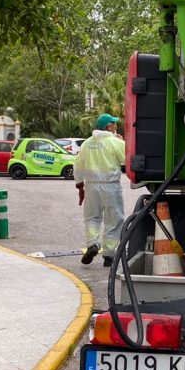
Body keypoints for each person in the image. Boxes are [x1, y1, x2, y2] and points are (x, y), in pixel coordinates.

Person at [74, 113, 126, 267]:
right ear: (109, 127)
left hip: (91, 186)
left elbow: (77, 166)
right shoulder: (114, 142)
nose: (116, 126)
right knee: (114, 220)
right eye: (114, 124)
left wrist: (80, 186)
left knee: (92, 218)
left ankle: (93, 245)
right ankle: (109, 255)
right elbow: (127, 158)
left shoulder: (87, 144)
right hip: (111, 186)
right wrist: (122, 143)